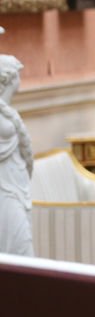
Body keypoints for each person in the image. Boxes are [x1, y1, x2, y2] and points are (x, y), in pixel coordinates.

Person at [0, 54, 33, 256]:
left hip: (17, 182)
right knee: (19, 243)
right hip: (5, 189)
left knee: (22, 243)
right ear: (10, 78)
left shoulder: (7, 112)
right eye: (17, 75)